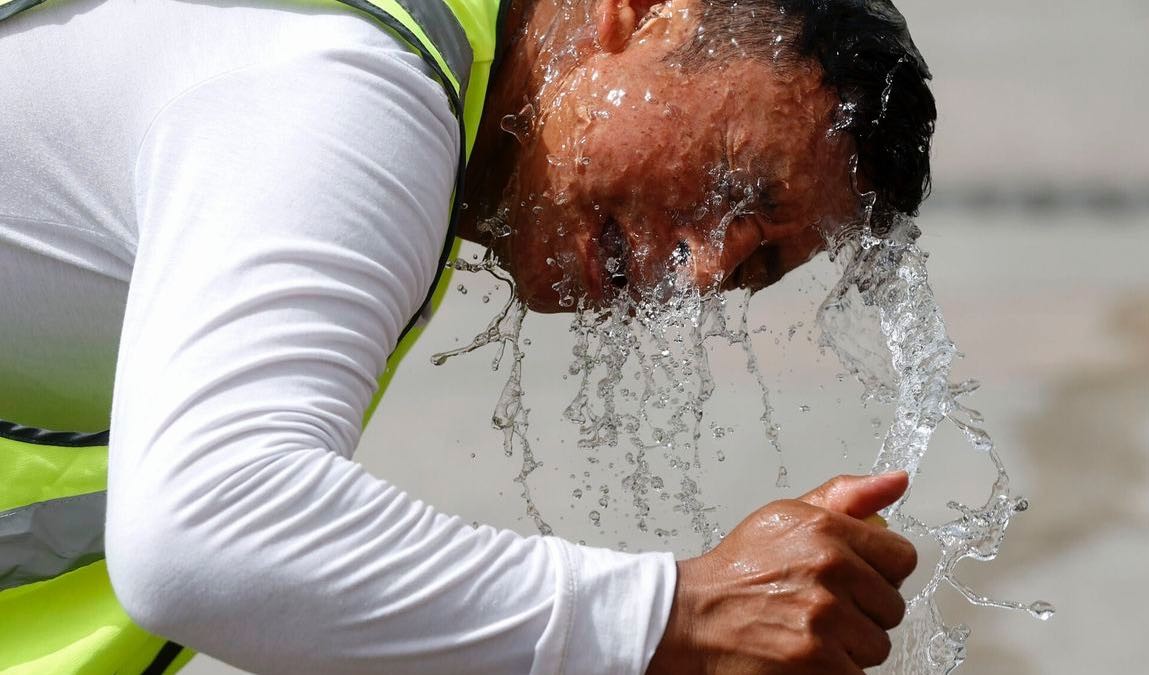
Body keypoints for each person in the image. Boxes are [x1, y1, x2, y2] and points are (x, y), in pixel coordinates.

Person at [0, 0, 935, 671]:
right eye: (736, 183)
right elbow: (204, 534)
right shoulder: (363, 90)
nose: (699, 273)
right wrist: (672, 614)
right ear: (644, 14)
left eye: (752, 268)